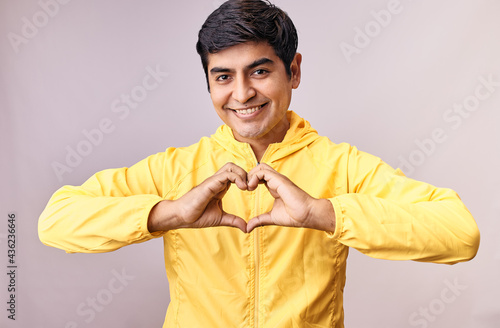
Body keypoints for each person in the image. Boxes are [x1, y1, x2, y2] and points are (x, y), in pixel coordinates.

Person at [38, 0, 480, 327]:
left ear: (295, 71)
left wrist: (324, 213)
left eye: (260, 71)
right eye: (223, 76)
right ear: (209, 83)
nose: (242, 93)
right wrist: (170, 213)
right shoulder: (177, 171)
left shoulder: (342, 166)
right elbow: (55, 221)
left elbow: (459, 232)